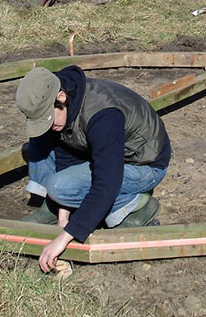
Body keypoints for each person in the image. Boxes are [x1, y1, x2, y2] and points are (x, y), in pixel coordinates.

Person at [16, 65, 171, 272]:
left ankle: (137, 205)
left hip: (143, 165)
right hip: (109, 156)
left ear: (61, 97)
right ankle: (51, 207)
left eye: (48, 117)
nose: (48, 123)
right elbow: (67, 150)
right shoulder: (63, 98)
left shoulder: (103, 115)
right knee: (39, 140)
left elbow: (106, 182)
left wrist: (65, 237)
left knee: (61, 186)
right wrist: (63, 217)